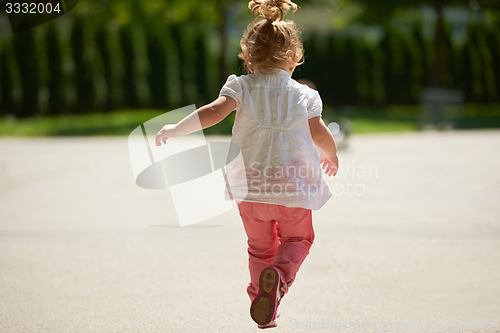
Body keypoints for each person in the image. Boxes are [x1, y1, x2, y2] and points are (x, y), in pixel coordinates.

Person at [155, 0, 339, 329]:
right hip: (291, 190)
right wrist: (331, 154)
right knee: (298, 241)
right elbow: (320, 134)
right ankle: (279, 278)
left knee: (259, 247)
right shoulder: (303, 95)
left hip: (249, 190)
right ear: (295, 58)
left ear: (248, 59)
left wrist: (176, 128)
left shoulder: (240, 86)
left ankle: (261, 300)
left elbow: (212, 112)